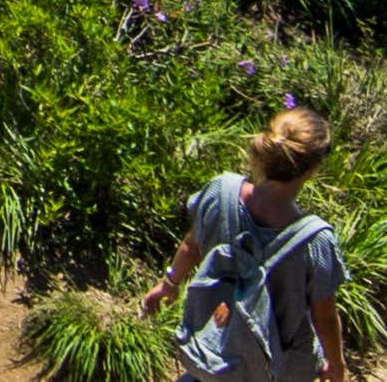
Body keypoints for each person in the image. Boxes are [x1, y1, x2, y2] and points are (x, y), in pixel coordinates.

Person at [145, 107, 358, 380]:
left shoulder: (220, 192)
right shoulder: (315, 240)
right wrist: (335, 364)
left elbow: (192, 245)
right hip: (280, 369)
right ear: (312, 168)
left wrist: (169, 284)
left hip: (215, 351)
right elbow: (324, 316)